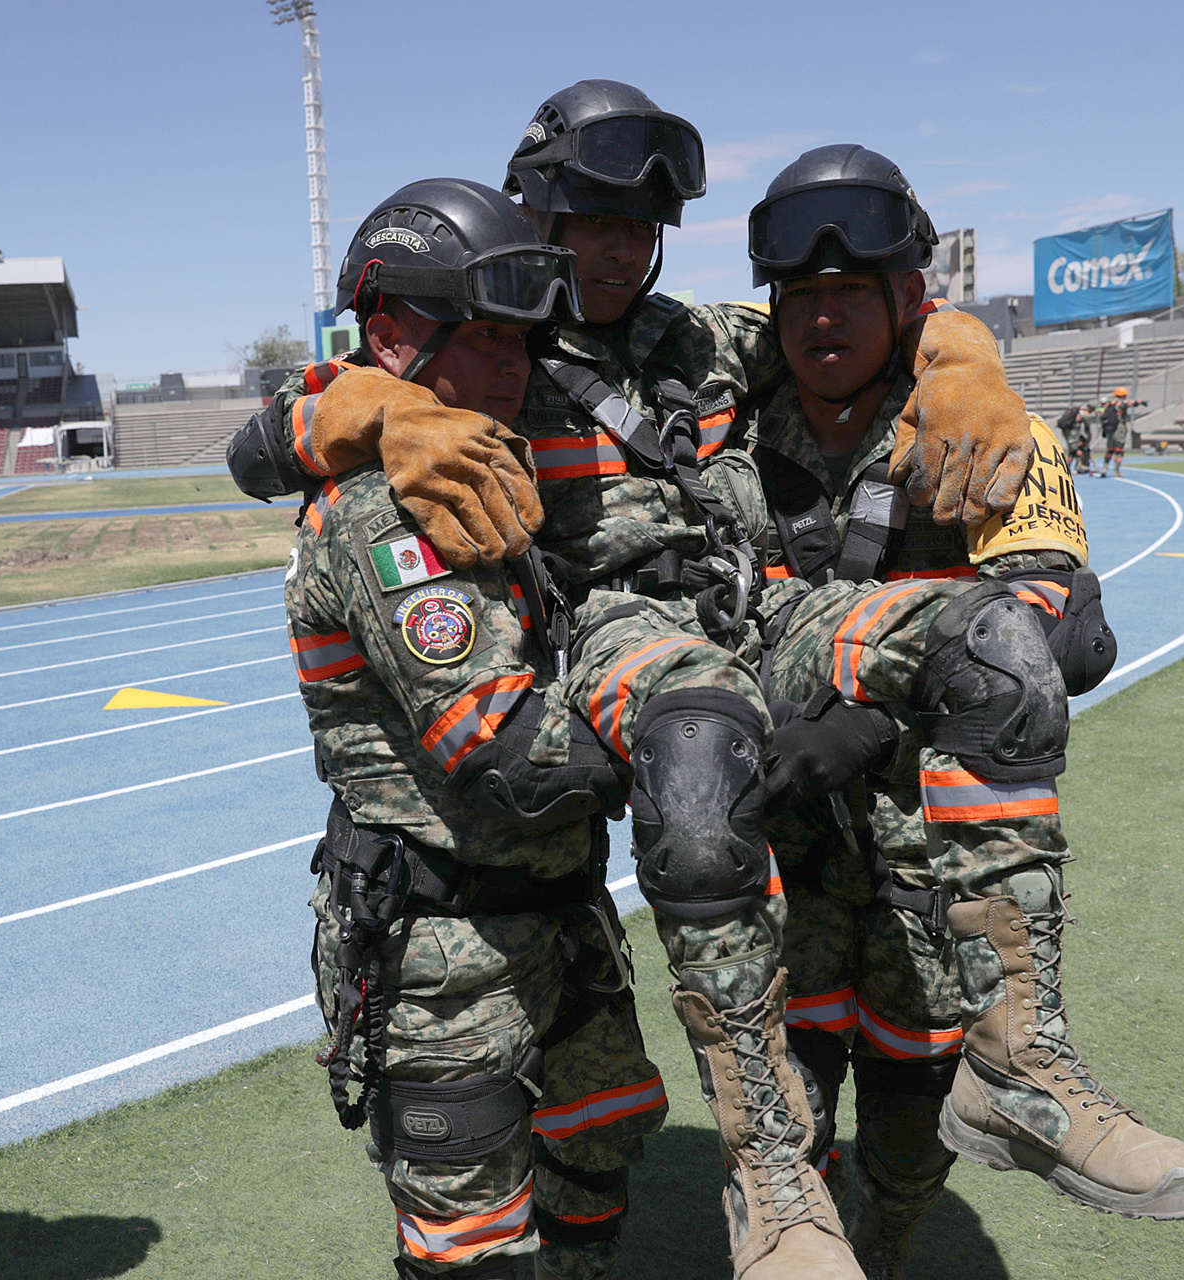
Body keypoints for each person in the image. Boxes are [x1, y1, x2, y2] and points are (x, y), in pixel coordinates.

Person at [238, 82, 1037, 1280]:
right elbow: (271, 437)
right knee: (467, 1232)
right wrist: (374, 405)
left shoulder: (693, 339)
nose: (614, 248)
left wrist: (966, 353)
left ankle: (1029, 1054)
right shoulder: (474, 344)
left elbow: (847, 321)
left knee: (600, 1148)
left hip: (574, 883)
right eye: (591, 220)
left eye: (638, 224)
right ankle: (771, 1153)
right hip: (456, 890)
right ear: (534, 224)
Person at [743, 146, 1184, 1276]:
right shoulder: (733, 409)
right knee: (786, 1113)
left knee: (913, 1134)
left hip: (933, 865)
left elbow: (1053, 632)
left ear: (908, 299)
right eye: (801, 298)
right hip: (782, 852)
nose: (822, 319)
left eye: (850, 295)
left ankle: (893, 1241)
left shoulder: (985, 418)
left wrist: (867, 720)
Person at [288, 177, 677, 1280]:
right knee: (471, 1246)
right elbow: (504, 753)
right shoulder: (381, 510)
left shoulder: (482, 478)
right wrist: (702, 741)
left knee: (596, 1160)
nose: (515, 364)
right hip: (443, 954)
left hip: (559, 917)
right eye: (485, 339)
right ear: (390, 336)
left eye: (525, 340)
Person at [1097, 387, 1144, 477]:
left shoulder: (1109, 404)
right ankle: (1116, 471)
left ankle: (1105, 468)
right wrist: (1139, 402)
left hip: (1110, 429)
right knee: (1119, 450)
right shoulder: (1120, 403)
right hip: (1119, 428)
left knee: (1110, 450)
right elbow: (1130, 403)